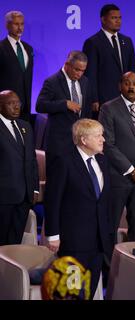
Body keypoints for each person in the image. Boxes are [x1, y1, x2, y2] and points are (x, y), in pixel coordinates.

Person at [44, 119, 113, 296]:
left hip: (98, 242)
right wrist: (53, 235)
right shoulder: (64, 161)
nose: (103, 140)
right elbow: (53, 200)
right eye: (98, 136)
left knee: (89, 291)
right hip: (73, 240)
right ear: (83, 140)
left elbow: (103, 201)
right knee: (72, 292)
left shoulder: (103, 161)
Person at [99, 72, 135, 242]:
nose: (131, 87)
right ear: (120, 86)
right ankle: (109, 266)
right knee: (111, 225)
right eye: (127, 83)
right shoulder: (108, 108)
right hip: (118, 176)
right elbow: (108, 144)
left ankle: (133, 263)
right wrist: (132, 170)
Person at [36, 50, 93, 177]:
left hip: (79, 143)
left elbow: (86, 109)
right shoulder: (52, 82)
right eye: (77, 69)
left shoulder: (85, 81)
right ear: (67, 64)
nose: (79, 74)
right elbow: (40, 105)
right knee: (56, 183)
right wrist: (64, 104)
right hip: (59, 144)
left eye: (83, 70)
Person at [83, 4, 135, 117]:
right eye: (114, 18)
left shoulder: (127, 41)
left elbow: (133, 68)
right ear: (103, 19)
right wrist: (94, 98)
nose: (118, 21)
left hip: (126, 96)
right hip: (105, 99)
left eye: (120, 18)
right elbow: (90, 74)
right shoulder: (93, 42)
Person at [0, 90, 38, 245]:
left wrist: (34, 188)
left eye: (18, 103)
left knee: (15, 242)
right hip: (4, 196)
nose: (16, 107)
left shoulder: (25, 126)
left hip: (24, 197)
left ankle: (10, 269)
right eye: (11, 103)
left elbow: (32, 159)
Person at [0, 11, 33, 121]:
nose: (20, 28)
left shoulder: (28, 48)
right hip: (6, 107)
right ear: (7, 25)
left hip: (25, 108)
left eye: (22, 24)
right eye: (16, 24)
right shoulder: (1, 48)